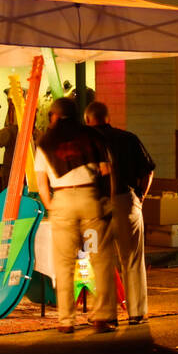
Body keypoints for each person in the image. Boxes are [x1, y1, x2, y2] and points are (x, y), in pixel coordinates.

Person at [34, 97, 118, 334]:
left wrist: (51, 203)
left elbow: (41, 181)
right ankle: (101, 316)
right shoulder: (91, 136)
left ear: (54, 116)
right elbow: (106, 170)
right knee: (99, 258)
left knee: (64, 262)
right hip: (89, 200)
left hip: (62, 202)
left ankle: (66, 320)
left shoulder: (45, 142)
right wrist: (105, 200)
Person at [84, 100, 156, 325]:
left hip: (95, 206)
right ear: (108, 118)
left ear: (88, 120)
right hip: (127, 201)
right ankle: (136, 312)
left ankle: (106, 315)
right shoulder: (128, 138)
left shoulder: (84, 144)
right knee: (132, 258)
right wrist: (141, 197)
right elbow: (149, 170)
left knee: (100, 260)